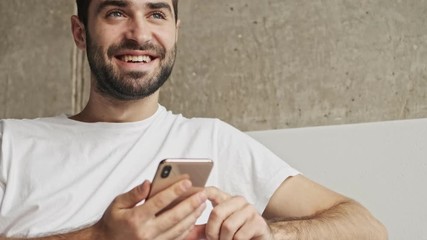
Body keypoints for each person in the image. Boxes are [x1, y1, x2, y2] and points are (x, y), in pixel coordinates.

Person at [0, 0, 387, 239]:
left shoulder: (213, 140)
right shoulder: (11, 143)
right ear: (80, 32)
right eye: (117, 12)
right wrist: (98, 238)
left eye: (156, 13)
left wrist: (271, 233)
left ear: (175, 32)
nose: (140, 33)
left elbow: (367, 228)